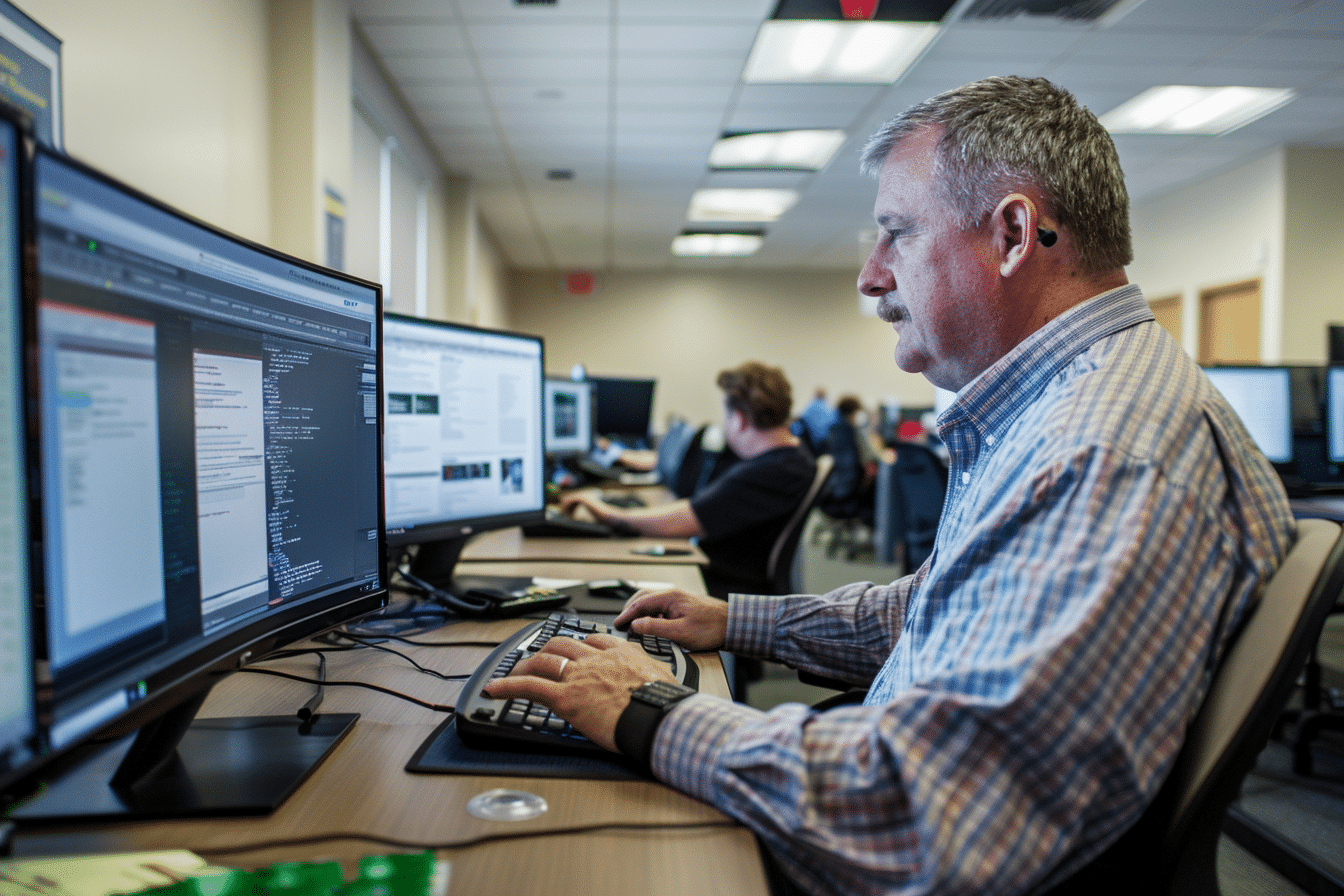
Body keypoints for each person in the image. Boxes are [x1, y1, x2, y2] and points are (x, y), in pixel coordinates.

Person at [485, 76, 1295, 895]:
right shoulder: (1070, 413)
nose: (870, 277)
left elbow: (932, 813)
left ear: (1012, 234)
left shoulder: (1103, 452)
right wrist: (736, 619)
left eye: (896, 235)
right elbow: (943, 610)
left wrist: (649, 708)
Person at [558, 361, 816, 597]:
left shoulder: (774, 470)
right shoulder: (792, 459)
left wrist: (607, 512)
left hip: (723, 592)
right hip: (729, 582)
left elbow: (687, 519)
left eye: (726, 417)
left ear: (737, 420)